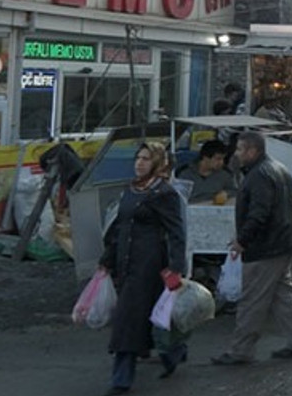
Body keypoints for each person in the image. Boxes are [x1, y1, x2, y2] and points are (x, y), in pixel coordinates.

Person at [212, 132, 292, 366]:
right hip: (283, 243)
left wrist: (242, 241)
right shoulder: (278, 168)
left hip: (266, 247)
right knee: (283, 295)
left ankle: (240, 350)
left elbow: (260, 213)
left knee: (252, 299)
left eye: (240, 150)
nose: (236, 154)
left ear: (252, 151)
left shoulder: (258, 176)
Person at [99, 143, 188, 394]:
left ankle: (121, 379)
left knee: (128, 319)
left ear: (157, 163)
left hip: (149, 265)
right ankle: (174, 352)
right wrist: (107, 259)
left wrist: (176, 266)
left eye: (146, 159)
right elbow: (119, 227)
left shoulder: (163, 193)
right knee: (151, 317)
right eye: (138, 158)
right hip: (125, 262)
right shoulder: (131, 190)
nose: (139, 163)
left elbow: (176, 231)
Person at [175, 139, 236, 203]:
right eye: (218, 159)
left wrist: (226, 193)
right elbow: (179, 196)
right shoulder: (185, 174)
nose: (221, 162)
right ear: (205, 157)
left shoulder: (225, 175)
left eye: (223, 159)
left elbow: (235, 192)